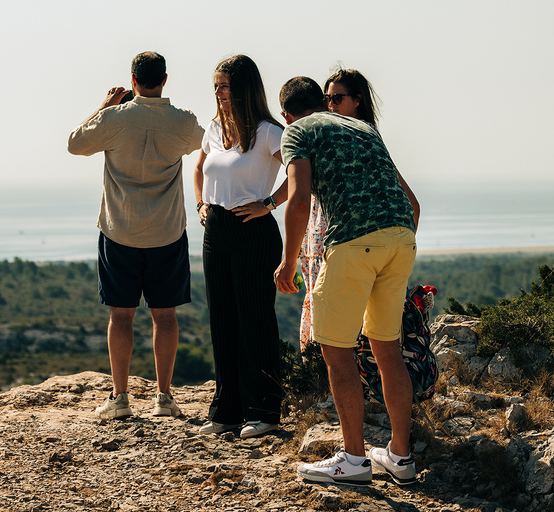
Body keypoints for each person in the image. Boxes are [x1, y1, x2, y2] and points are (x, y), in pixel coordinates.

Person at [275, 77, 421, 486]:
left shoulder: (298, 132)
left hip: (354, 243)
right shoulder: (364, 128)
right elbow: (413, 204)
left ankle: (354, 460)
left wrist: (287, 264)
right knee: (387, 349)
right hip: (400, 239)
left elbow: (299, 197)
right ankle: (400, 457)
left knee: (337, 352)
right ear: (324, 102)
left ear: (287, 113)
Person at [67, 51, 204, 420]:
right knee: (165, 316)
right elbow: (207, 145)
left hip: (119, 231)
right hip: (167, 233)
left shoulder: (113, 119)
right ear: (165, 79)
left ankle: (121, 398)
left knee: (121, 315)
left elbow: (75, 144)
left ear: (132, 80)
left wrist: (103, 107)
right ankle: (163, 397)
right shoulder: (183, 122)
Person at [193, 54, 287, 439]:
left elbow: (303, 174)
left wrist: (269, 203)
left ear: (245, 88)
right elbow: (199, 168)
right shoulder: (215, 128)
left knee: (254, 321)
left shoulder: (268, 132)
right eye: (215, 86)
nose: (219, 93)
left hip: (253, 231)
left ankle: (264, 411)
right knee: (222, 320)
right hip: (216, 229)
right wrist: (200, 203)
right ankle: (226, 411)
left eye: (226, 86)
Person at [299, 69, 419, 350]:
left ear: (357, 100)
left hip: (348, 245)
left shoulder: (364, 138)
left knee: (341, 338)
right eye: (326, 98)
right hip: (332, 243)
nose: (331, 105)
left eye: (337, 98)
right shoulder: (329, 137)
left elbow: (411, 201)